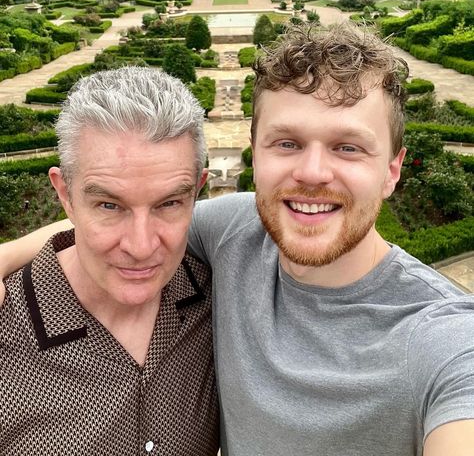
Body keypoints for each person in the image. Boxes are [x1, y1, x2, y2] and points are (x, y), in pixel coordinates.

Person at [1, 24, 474, 455]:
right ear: (257, 152)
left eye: (347, 147)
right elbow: (118, 207)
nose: (311, 172)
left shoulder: (445, 339)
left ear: (393, 169)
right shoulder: (232, 232)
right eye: (286, 143)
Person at [0, 66, 218, 455]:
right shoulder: (7, 331)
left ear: (197, 192)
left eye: (169, 203)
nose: (140, 245)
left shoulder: (221, 294)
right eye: (109, 205)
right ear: (65, 195)